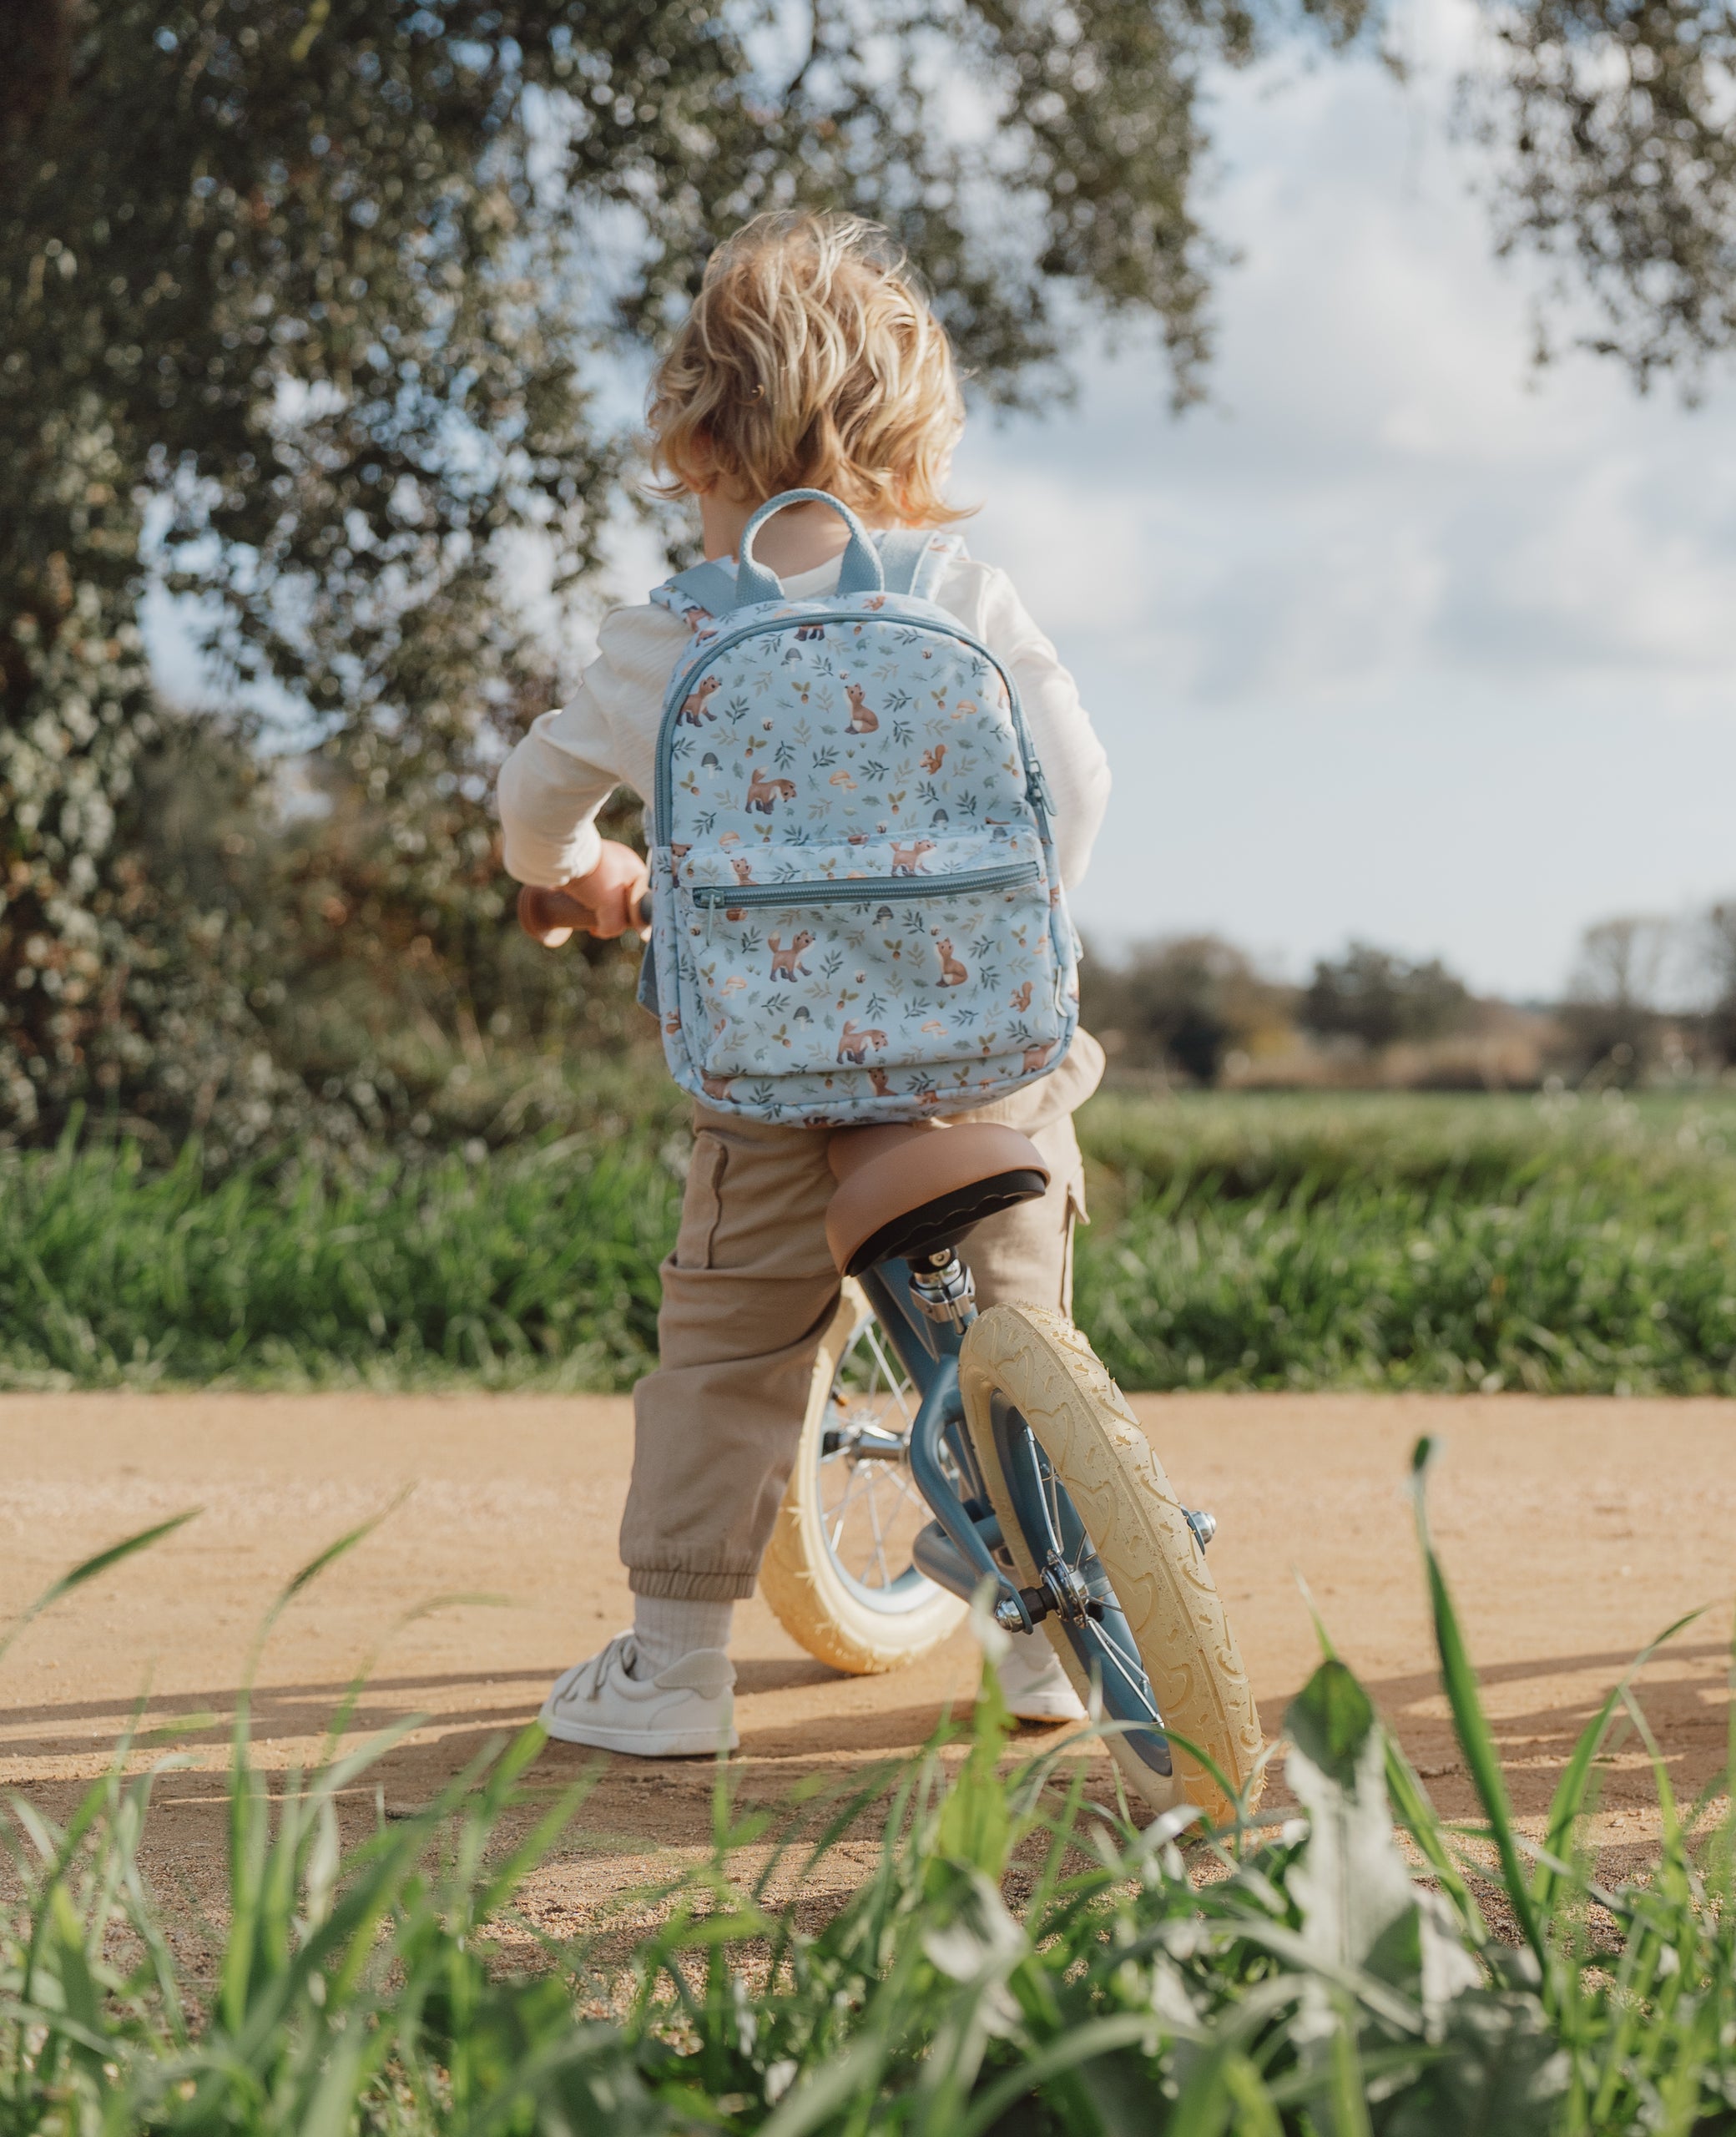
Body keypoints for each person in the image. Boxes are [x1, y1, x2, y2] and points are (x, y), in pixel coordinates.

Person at [497, 211, 1114, 1756]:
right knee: (1019, 1333)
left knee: (725, 1347)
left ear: (695, 447)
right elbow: (1078, 789)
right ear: (920, 442)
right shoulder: (965, 601)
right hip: (983, 1064)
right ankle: (1053, 1653)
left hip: (769, 1087)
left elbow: (532, 803)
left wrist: (577, 873)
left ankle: (676, 1669)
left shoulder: (676, 637)